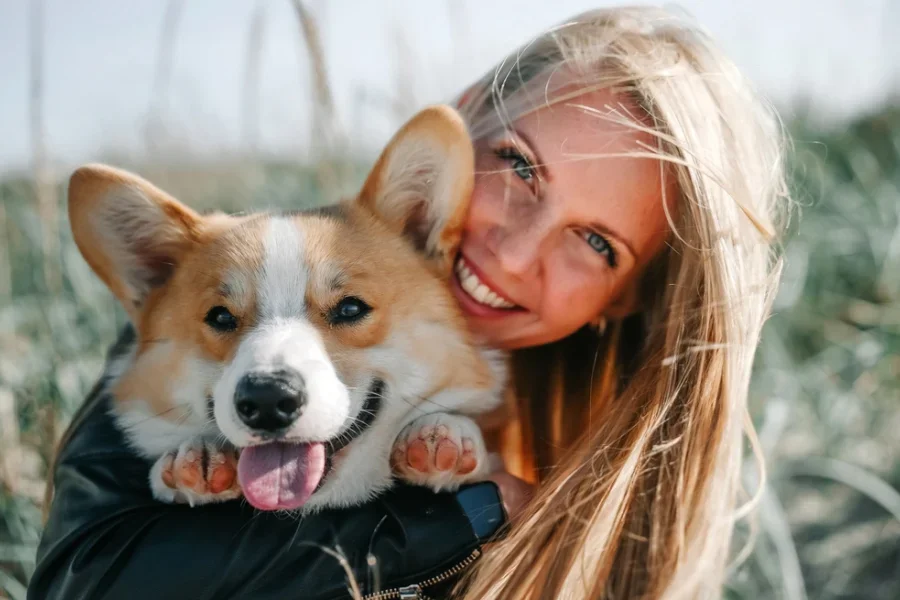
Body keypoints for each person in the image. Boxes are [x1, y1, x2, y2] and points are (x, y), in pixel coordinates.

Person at [29, 5, 789, 600]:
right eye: (520, 166)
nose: (515, 253)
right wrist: (461, 517)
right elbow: (86, 584)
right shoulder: (205, 324)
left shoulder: (613, 470)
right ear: (459, 130)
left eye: (596, 243)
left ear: (624, 303)